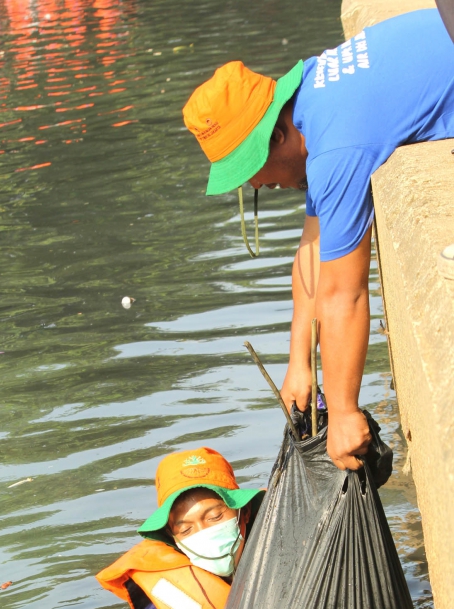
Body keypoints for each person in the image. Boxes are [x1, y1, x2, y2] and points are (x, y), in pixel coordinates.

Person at [182, 9, 454, 472]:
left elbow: (344, 293)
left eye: (250, 170)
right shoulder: (315, 94)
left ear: (281, 135)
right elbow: (313, 250)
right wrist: (298, 363)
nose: (257, 186)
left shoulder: (336, 148)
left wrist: (345, 411)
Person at [96, 447, 264, 609]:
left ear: (243, 512)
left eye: (215, 517)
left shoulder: (289, 557)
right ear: (173, 538)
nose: (205, 533)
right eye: (186, 529)